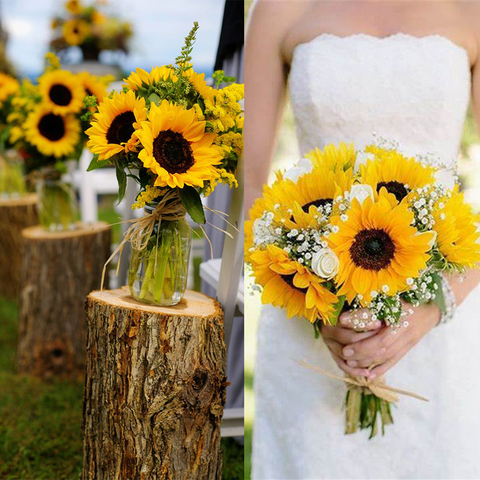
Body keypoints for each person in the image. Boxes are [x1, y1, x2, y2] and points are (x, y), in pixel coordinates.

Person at [245, 1, 480, 478]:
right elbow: (248, 186)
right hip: (308, 307)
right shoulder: (278, 9)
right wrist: (315, 304)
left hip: (446, 312)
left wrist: (433, 308)